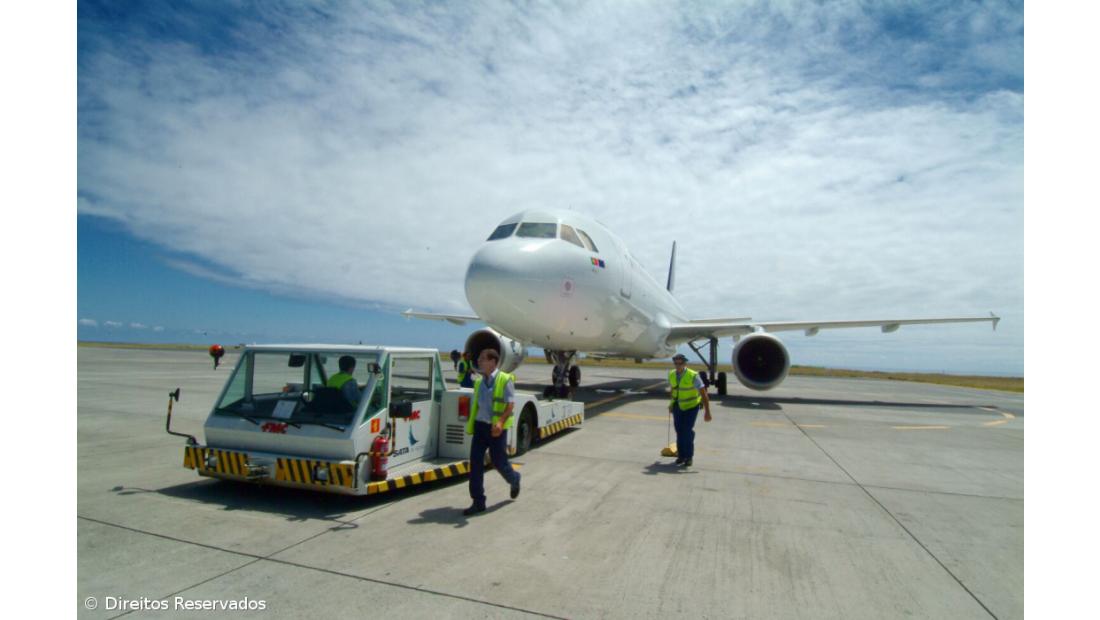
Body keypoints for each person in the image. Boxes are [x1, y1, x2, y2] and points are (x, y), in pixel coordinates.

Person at [463, 348, 521, 515]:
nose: (479, 361)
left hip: (496, 429)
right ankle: (478, 501)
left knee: (498, 462)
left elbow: (510, 405)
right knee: (475, 464)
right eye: (479, 358)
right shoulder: (479, 382)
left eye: (483, 358)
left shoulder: (505, 380)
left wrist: (500, 422)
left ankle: (514, 478)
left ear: (492, 362)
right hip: (480, 427)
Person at [668, 353, 712, 467]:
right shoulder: (672, 374)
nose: (678, 365)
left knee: (686, 431)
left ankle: (689, 457)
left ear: (685, 363)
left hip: (691, 407)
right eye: (676, 363)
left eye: (680, 363)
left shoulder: (693, 375)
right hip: (678, 406)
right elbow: (673, 390)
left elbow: (703, 393)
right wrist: (671, 404)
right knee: (679, 431)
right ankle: (681, 455)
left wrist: (707, 411)